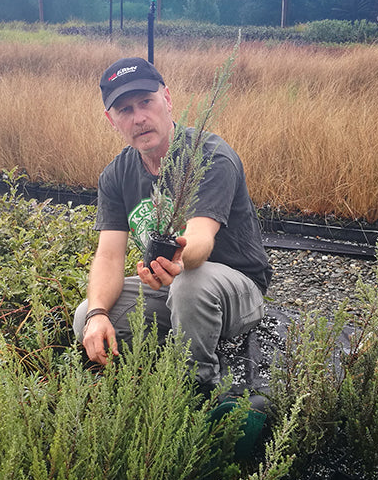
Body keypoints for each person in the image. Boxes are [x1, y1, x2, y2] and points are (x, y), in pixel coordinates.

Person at [73, 56, 272, 398]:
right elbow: (108, 256)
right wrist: (98, 313)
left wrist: (179, 261)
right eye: (124, 110)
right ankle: (142, 380)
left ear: (166, 98)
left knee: (190, 285)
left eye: (146, 102)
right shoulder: (116, 175)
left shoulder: (209, 155)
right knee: (84, 318)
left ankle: (199, 391)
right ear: (111, 120)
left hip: (235, 286)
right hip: (171, 283)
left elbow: (199, 238)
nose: (139, 118)